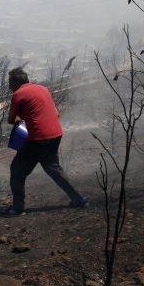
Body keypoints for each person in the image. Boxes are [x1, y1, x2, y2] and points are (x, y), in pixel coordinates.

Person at [7, 67, 87, 215]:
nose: (8, 86)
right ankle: (79, 199)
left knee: (17, 171)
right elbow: (56, 114)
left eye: (10, 82)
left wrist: (20, 123)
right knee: (53, 168)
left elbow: (11, 119)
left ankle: (17, 208)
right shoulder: (43, 89)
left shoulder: (18, 94)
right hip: (55, 134)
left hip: (36, 138)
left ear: (17, 82)